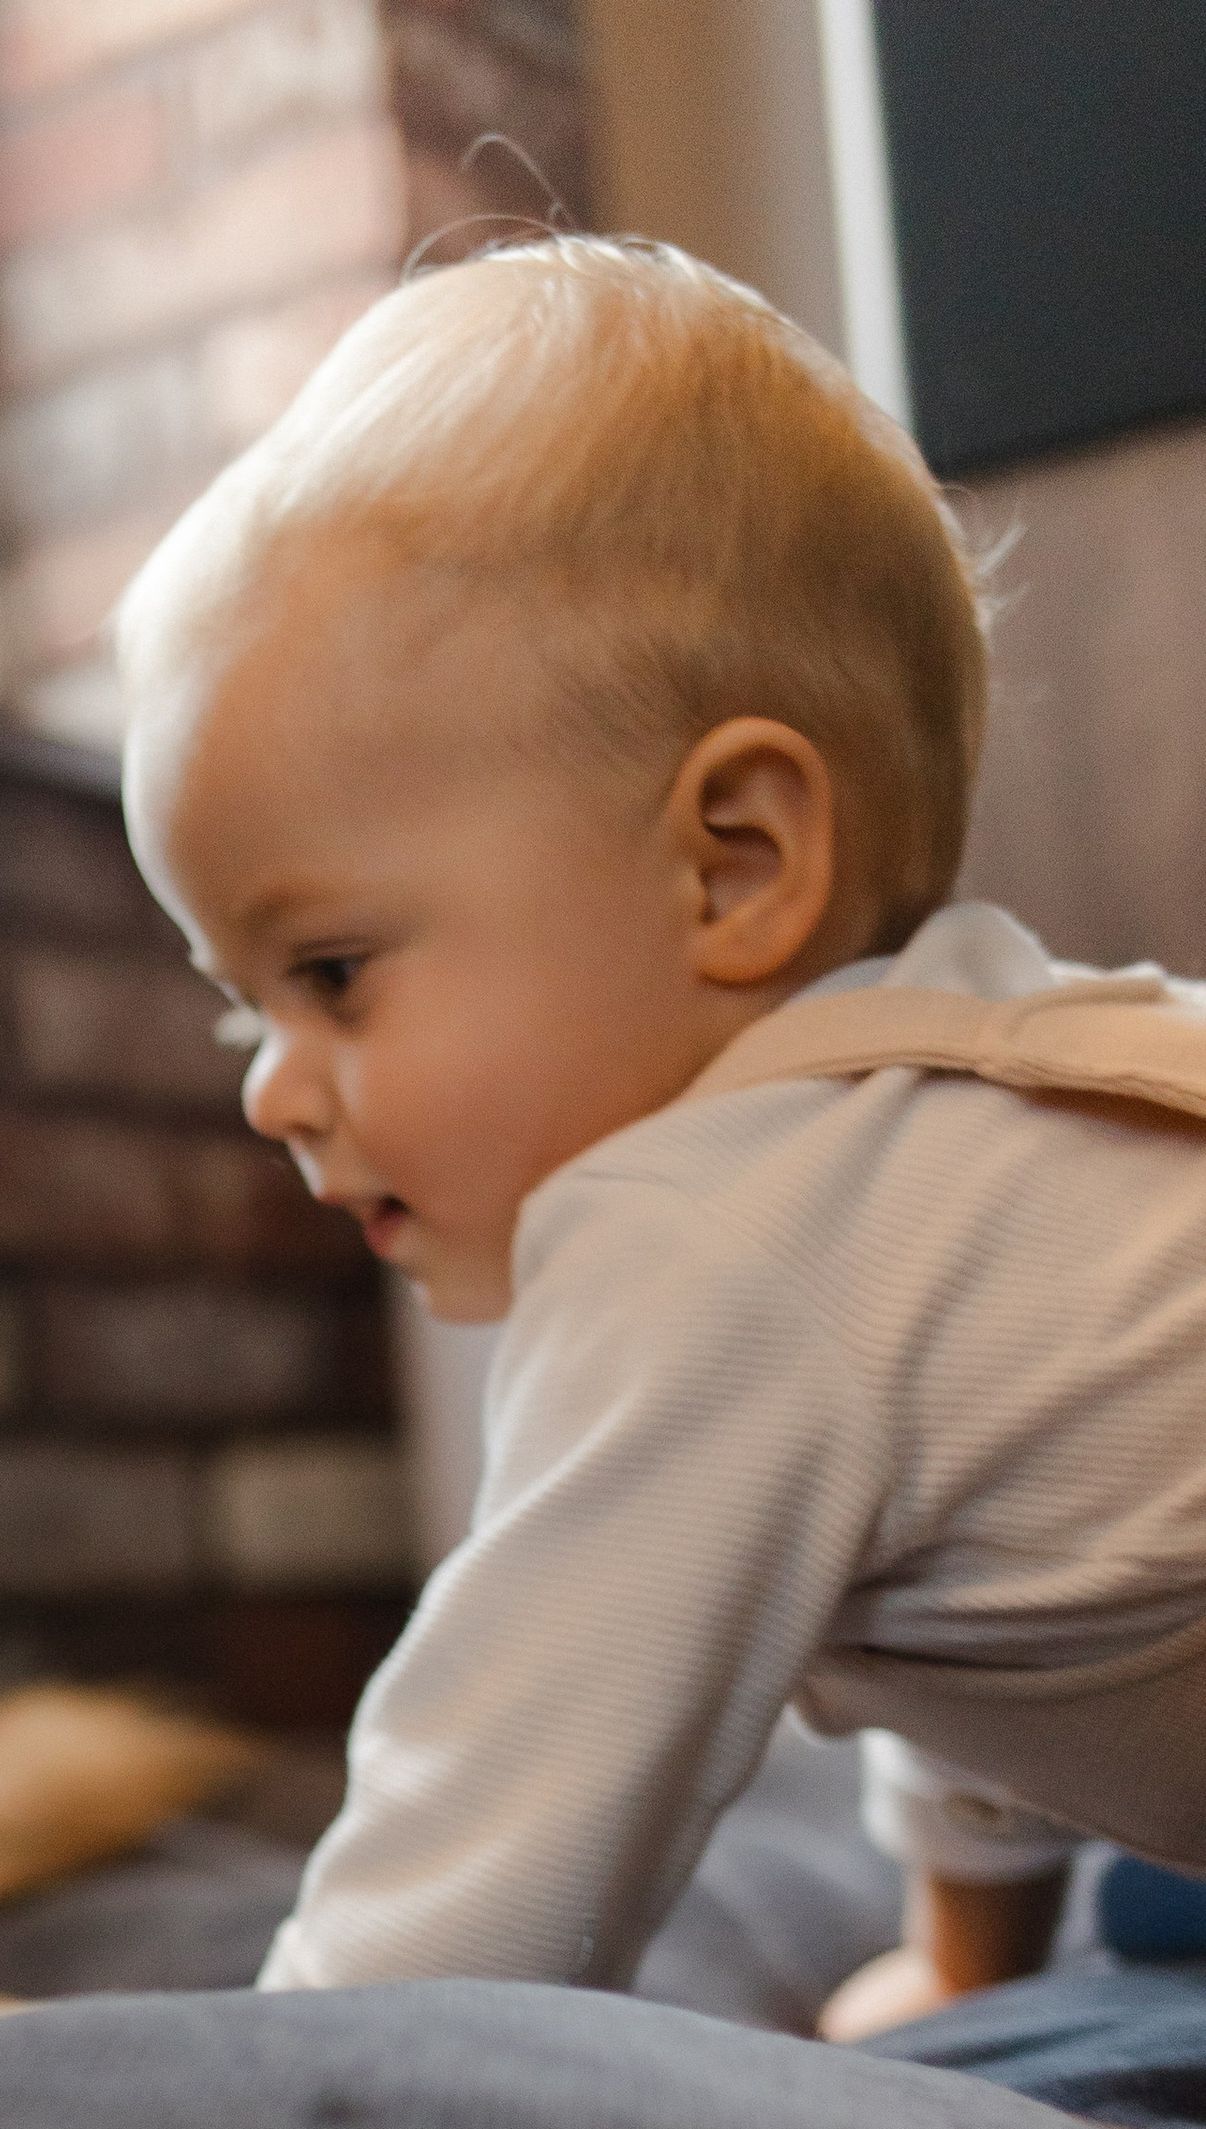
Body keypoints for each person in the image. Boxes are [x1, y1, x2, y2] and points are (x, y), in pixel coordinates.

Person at [116, 234, 1206, 2034]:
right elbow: (1004, 1623)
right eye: (247, 1003)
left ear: (735, 866)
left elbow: (481, 1856)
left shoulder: (703, 1232)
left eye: (330, 970)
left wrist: (273, 2101)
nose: (268, 1083)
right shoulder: (954, 1134)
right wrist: (968, 1958)